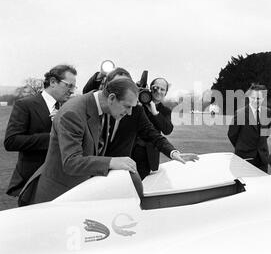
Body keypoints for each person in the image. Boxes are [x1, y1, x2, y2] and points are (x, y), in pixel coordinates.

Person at [20, 78, 196, 205]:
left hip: (81, 191)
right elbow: (71, 162)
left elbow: (154, 134)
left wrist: (173, 153)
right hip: (57, 196)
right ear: (111, 98)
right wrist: (113, 161)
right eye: (127, 107)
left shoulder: (101, 107)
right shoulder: (73, 113)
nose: (128, 113)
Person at [3, 65, 77, 197]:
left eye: (73, 87)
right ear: (53, 82)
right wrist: (52, 138)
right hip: (32, 181)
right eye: (69, 86)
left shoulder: (68, 109)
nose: (71, 91)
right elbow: (11, 141)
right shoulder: (25, 105)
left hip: (62, 183)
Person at [132, 77, 174, 178]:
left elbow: (167, 129)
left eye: (162, 89)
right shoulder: (137, 103)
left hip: (148, 155)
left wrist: (155, 113)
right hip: (130, 150)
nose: (159, 91)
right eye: (156, 88)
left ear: (166, 93)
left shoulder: (165, 111)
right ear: (150, 88)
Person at [227, 83, 271, 173]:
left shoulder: (267, 113)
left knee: (262, 185)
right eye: (253, 98)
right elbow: (232, 135)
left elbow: (266, 133)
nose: (255, 101)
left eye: (258, 98)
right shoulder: (240, 114)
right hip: (244, 159)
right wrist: (243, 146)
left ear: (263, 98)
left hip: (262, 159)